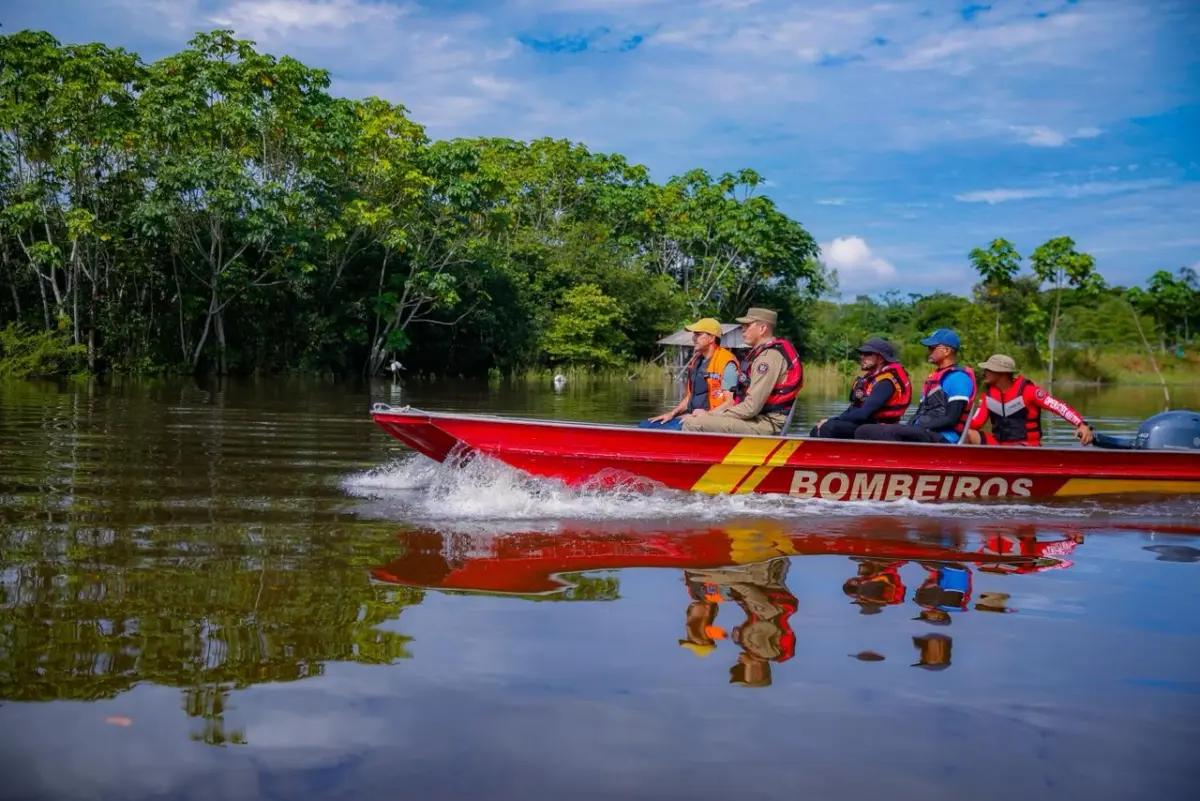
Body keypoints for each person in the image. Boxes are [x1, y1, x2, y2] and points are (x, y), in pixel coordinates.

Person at [681, 307, 803, 435]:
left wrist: (709, 415)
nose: (742, 329)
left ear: (762, 329)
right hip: (755, 419)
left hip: (765, 423)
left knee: (693, 424)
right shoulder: (762, 354)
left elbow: (750, 408)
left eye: (747, 325)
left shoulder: (768, 358)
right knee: (696, 419)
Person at [854, 328, 975, 444]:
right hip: (925, 432)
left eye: (932, 348)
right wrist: (907, 427)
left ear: (947, 351)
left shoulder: (959, 379)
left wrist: (918, 427)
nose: (929, 351)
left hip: (943, 438)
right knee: (868, 429)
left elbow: (951, 419)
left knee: (865, 431)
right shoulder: (935, 377)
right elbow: (921, 413)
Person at [963, 354, 1094, 447]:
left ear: (1001, 373)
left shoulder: (1029, 391)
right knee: (966, 434)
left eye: (988, 369)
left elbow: (1059, 406)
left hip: (1027, 446)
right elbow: (975, 423)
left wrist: (1081, 424)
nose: (984, 372)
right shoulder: (987, 396)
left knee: (1015, 451)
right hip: (999, 445)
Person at [640, 318, 740, 430]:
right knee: (645, 425)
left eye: (698, 334)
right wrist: (671, 414)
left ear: (712, 338)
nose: (693, 338)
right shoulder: (697, 361)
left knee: (662, 430)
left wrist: (707, 415)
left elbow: (729, 403)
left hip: (712, 420)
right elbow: (690, 397)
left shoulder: (726, 363)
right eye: (694, 335)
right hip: (692, 417)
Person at [811, 338, 912, 439]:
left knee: (829, 427)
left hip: (879, 426)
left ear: (881, 359)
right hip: (867, 423)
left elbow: (864, 413)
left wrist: (832, 421)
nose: (862, 357)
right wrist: (833, 420)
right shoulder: (871, 379)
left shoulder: (886, 382)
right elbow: (854, 408)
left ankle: (831, 454)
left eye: (867, 354)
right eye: (861, 353)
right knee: (817, 429)